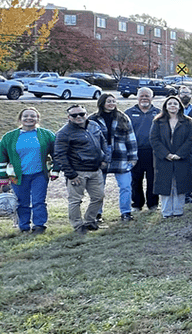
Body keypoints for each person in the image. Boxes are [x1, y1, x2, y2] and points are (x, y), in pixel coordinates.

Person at [0, 107, 57, 234]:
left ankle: (39, 226)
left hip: (39, 174)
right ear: (20, 119)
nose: (29, 118)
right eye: (26, 116)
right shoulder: (9, 137)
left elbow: (57, 153)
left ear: (38, 119)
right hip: (17, 176)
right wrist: (2, 176)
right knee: (22, 202)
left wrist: (55, 170)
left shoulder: (47, 135)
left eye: (33, 116)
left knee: (38, 201)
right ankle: (23, 226)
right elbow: (1, 156)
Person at [53, 104, 110, 232]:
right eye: (74, 115)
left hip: (96, 170)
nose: (79, 117)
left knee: (98, 197)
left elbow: (103, 142)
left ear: (86, 114)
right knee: (75, 200)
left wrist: (105, 159)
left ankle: (90, 220)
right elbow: (60, 155)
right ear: (69, 117)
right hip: (78, 172)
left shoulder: (94, 126)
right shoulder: (64, 133)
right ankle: (78, 226)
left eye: (82, 114)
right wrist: (71, 174)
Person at [94, 94, 138, 222]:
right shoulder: (93, 119)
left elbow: (131, 138)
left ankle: (126, 212)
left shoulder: (123, 118)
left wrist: (133, 157)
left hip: (121, 157)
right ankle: (97, 214)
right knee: (98, 188)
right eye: (108, 101)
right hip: (100, 158)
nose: (111, 103)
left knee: (125, 186)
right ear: (102, 103)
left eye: (113, 101)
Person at [150, 96, 192, 218]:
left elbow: (191, 139)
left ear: (180, 106)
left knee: (179, 185)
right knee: (166, 185)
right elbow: (154, 139)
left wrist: (180, 154)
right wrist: (166, 154)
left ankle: (178, 211)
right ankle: (166, 212)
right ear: (165, 106)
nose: (172, 106)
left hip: (182, 159)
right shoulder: (158, 121)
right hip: (164, 159)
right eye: (169, 104)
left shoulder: (188, 121)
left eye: (175, 103)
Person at [126, 87, 160, 212]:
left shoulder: (158, 113)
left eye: (147, 96)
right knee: (135, 180)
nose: (144, 98)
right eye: (142, 96)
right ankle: (137, 204)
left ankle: (153, 204)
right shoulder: (129, 113)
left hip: (153, 152)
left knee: (153, 179)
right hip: (135, 152)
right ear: (137, 97)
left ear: (152, 98)